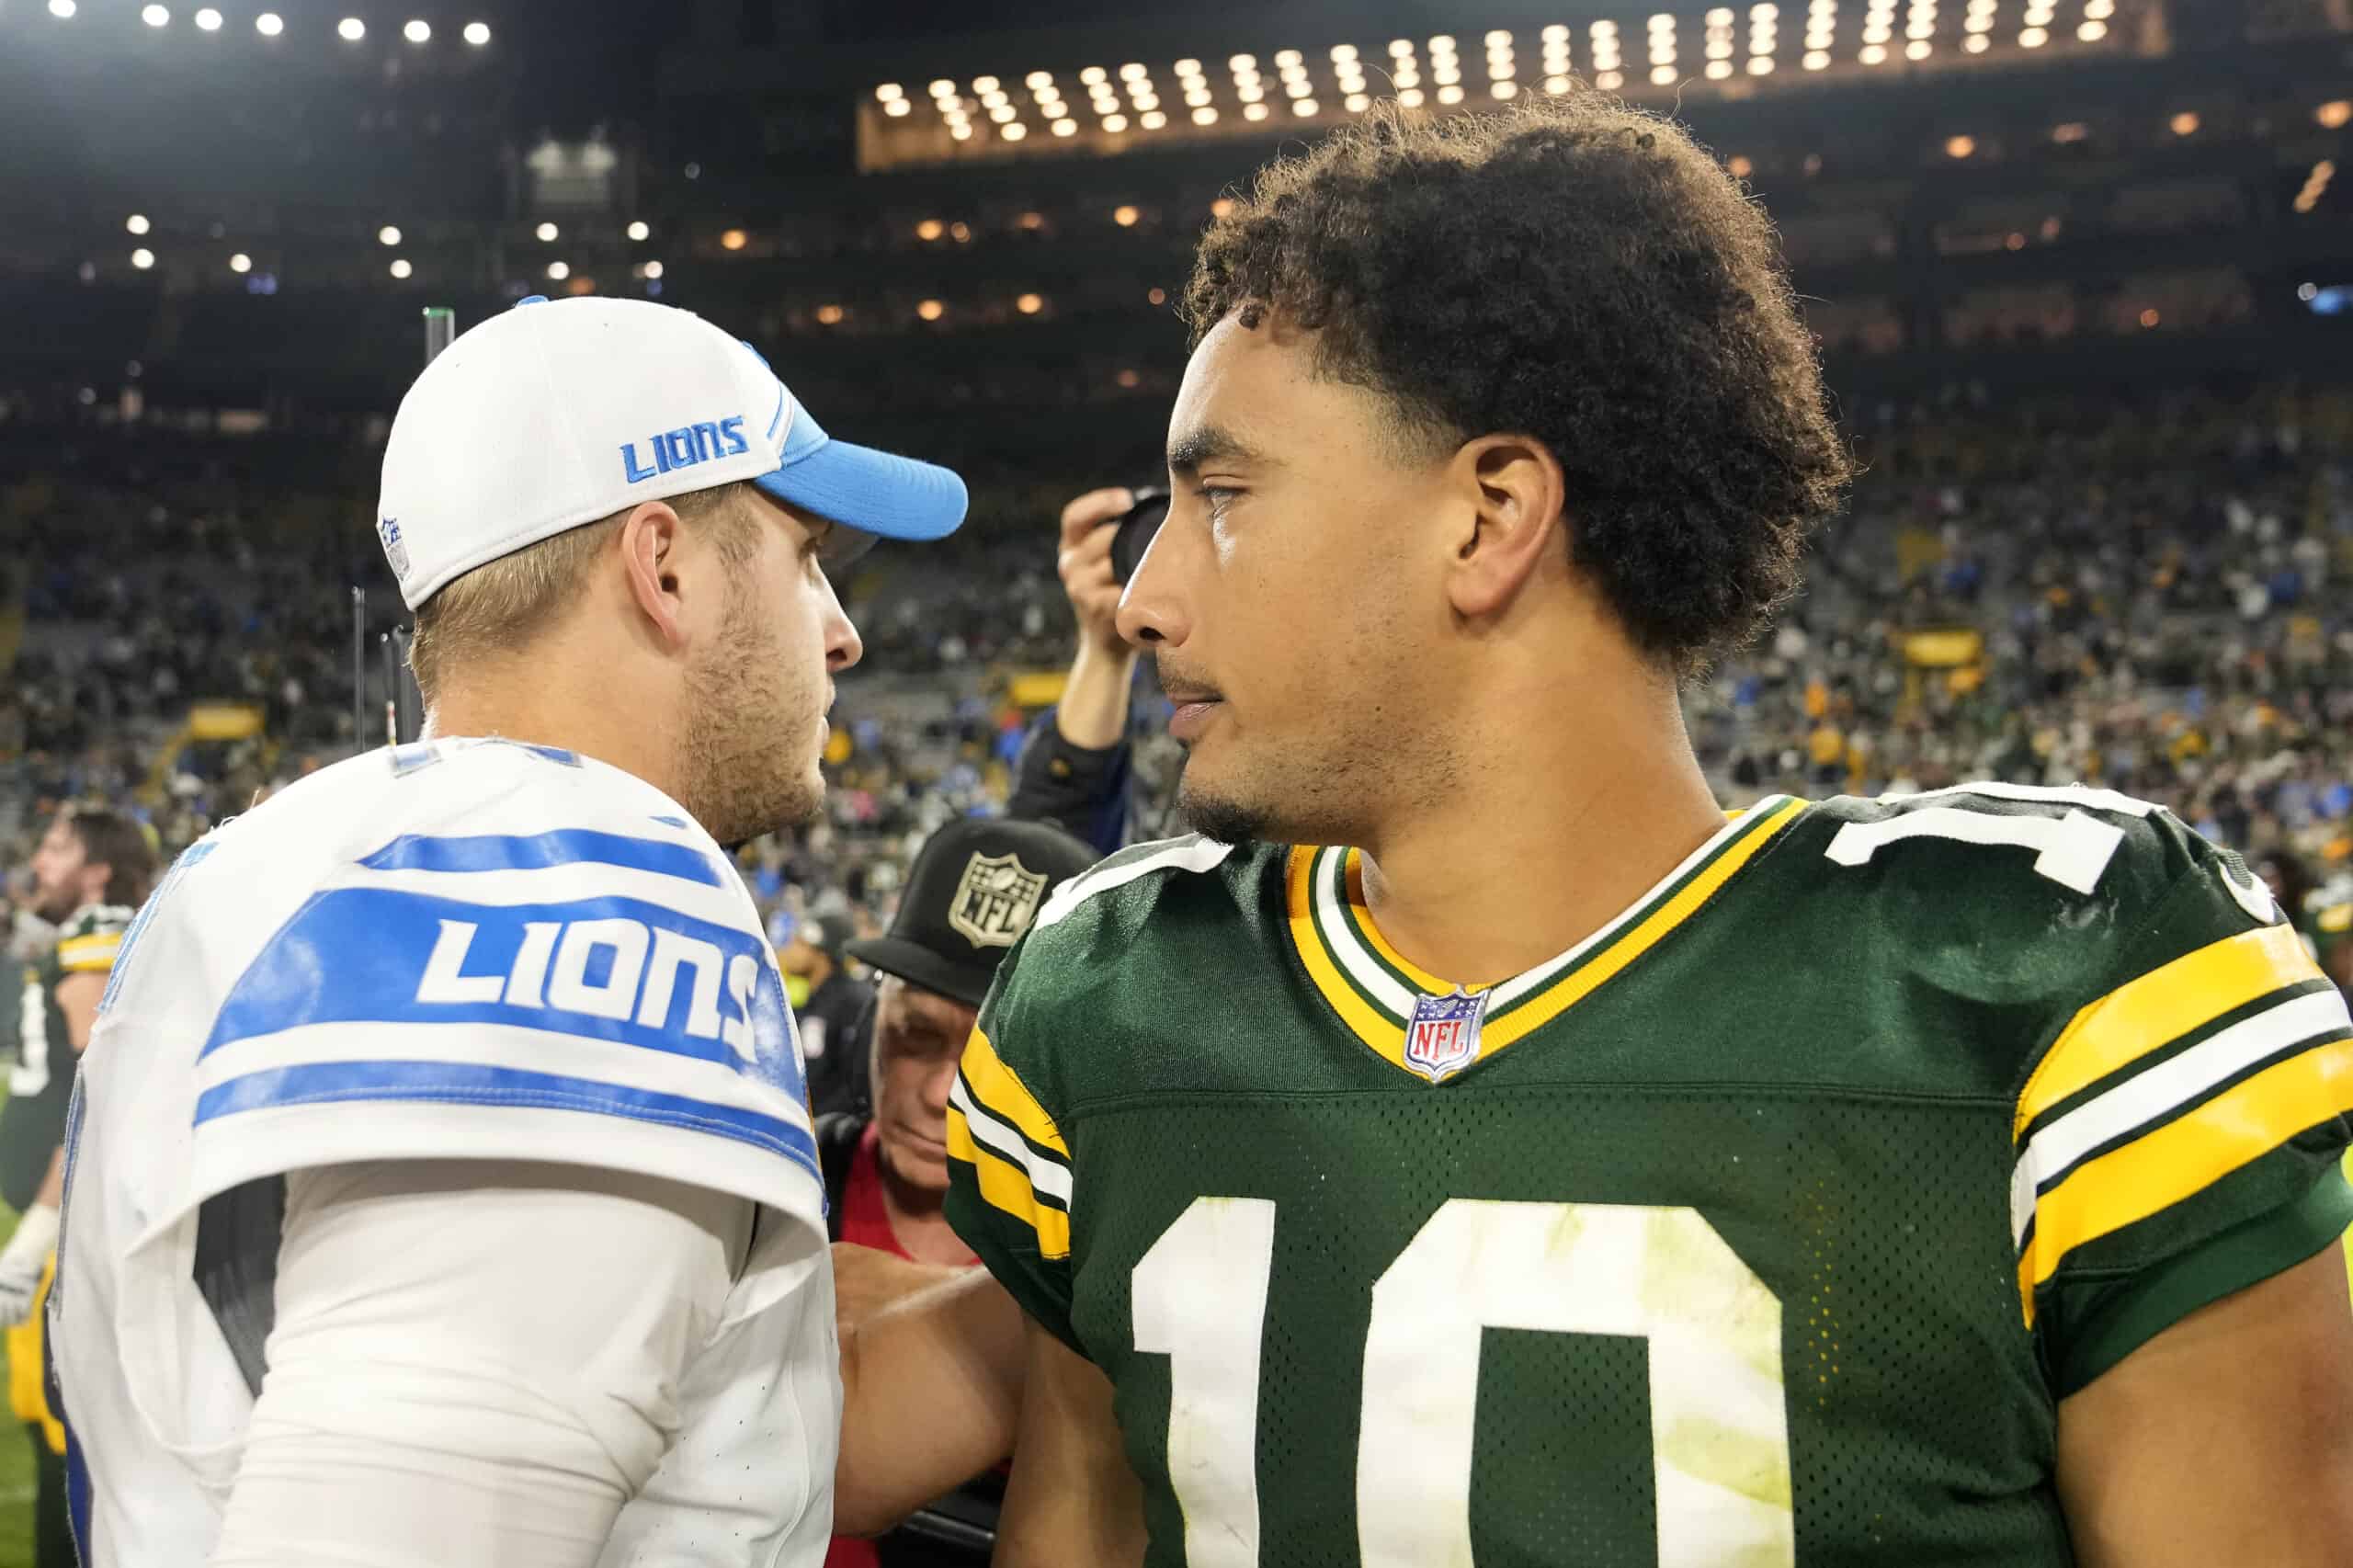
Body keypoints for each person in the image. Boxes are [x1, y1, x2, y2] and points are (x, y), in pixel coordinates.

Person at [924, 101, 2353, 1565]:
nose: (1149, 597)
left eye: (1220, 494)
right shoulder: (1124, 987)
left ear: (1488, 517)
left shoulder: (2053, 977)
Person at [50, 294, 967, 1567]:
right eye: (805, 553)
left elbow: (687, 1450)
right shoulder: (580, 876)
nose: (841, 628)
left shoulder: (262, 860)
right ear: (665, 565)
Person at [815, 816, 1097, 1565]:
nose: (942, 1091)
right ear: (873, 1019)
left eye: (989, 1057)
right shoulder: (783, 1191)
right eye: (913, 1037)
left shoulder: (1107, 1251)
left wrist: (935, 1315)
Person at [0, 807, 154, 1568]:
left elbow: (99, 1090)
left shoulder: (101, 925)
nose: (41, 861)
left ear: (99, 869)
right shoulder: (92, 925)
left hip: (77, 1222)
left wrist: (32, 1240)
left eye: (60, 847)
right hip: (80, 1215)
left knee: (69, 1436)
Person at [782, 915, 880, 1119]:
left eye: (800, 944)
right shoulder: (813, 998)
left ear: (821, 953)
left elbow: (856, 1081)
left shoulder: (854, 1001)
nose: (789, 950)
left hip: (832, 1133)